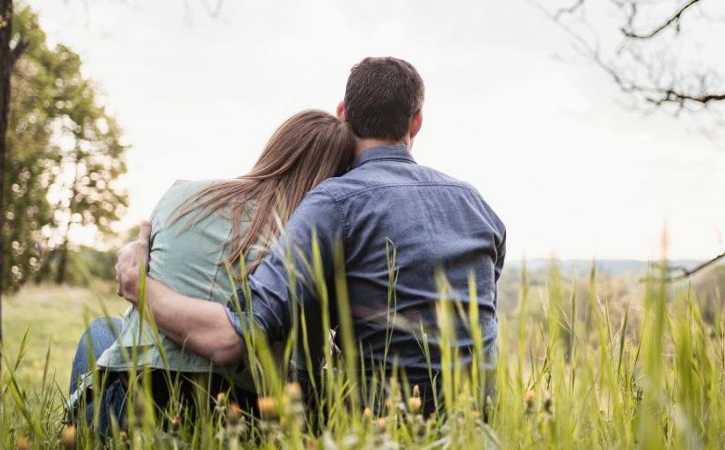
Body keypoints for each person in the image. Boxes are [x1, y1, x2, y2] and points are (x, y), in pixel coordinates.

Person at [115, 57, 506, 417]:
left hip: (382, 427)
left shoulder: (334, 203)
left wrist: (138, 285)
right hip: (478, 424)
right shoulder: (477, 203)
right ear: (415, 122)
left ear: (343, 114)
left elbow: (237, 336)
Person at [67, 110, 355, 434]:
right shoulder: (311, 243)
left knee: (104, 329)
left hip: (146, 401)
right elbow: (316, 367)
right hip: (249, 421)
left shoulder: (182, 196)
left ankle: (85, 436)